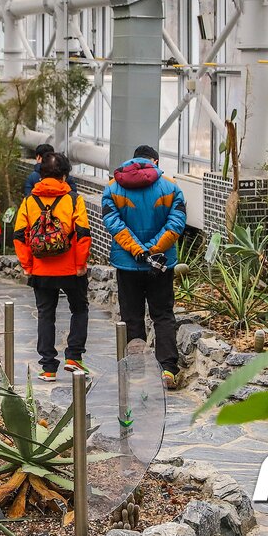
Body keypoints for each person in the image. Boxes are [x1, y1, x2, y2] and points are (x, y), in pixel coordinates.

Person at [101, 145, 187, 390]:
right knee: (162, 315)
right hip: (161, 264)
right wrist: (154, 249)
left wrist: (138, 250)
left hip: (128, 263)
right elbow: (177, 223)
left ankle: (136, 369)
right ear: (155, 161)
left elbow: (113, 224)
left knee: (132, 316)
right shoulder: (171, 187)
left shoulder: (112, 188)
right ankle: (168, 369)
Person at [14, 151, 92, 381]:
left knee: (45, 315)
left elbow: (19, 235)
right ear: (65, 176)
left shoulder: (29, 201)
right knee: (79, 309)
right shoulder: (74, 199)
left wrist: (27, 265)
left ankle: (48, 368)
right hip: (70, 268)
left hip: (40, 269)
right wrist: (80, 265)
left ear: (41, 173)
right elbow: (83, 235)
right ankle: (73, 357)